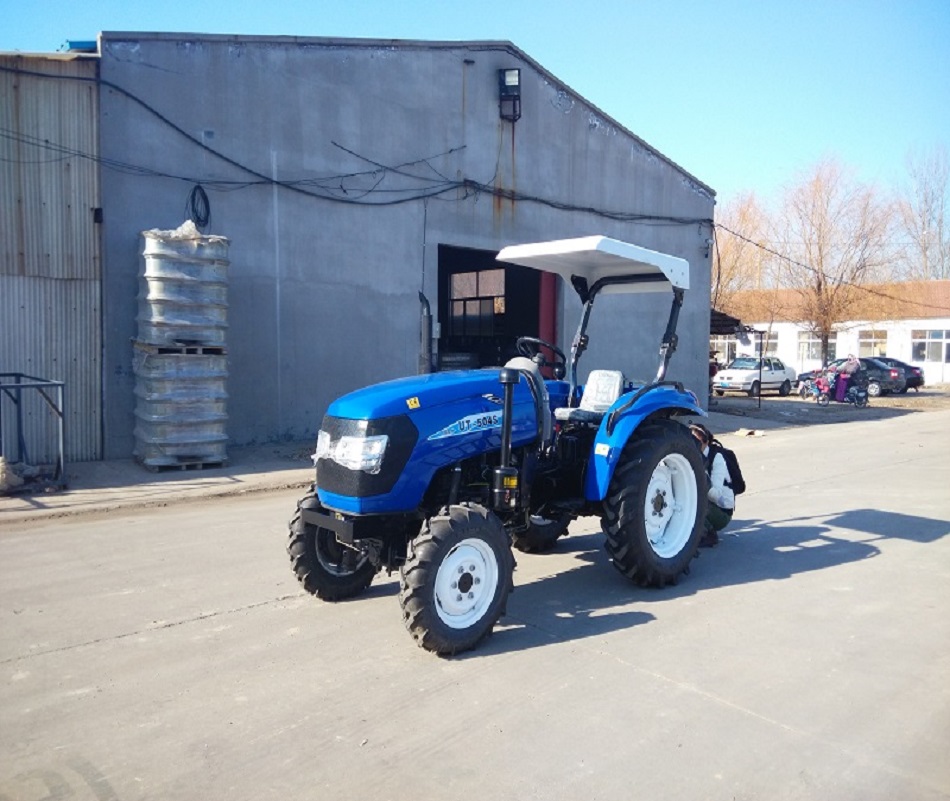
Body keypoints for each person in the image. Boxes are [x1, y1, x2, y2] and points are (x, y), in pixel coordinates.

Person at [689, 423, 735, 547]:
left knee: (690, 498)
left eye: (697, 443)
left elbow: (715, 495)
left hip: (721, 512)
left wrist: (701, 474)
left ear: (705, 443)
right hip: (709, 506)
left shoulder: (717, 458)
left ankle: (709, 533)